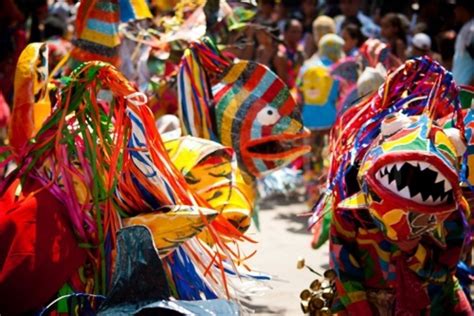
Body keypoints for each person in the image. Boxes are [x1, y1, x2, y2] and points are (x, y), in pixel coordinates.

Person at [274, 19, 304, 91]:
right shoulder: (280, 53)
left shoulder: (300, 51)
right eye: (293, 32)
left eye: (299, 32)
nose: (297, 35)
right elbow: (283, 81)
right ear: (285, 33)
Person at [452, 0, 474, 86]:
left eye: (456, 8)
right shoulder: (466, 27)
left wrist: (470, 88)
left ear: (463, 9)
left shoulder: (471, 30)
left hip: (467, 91)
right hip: (460, 89)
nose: (454, 11)